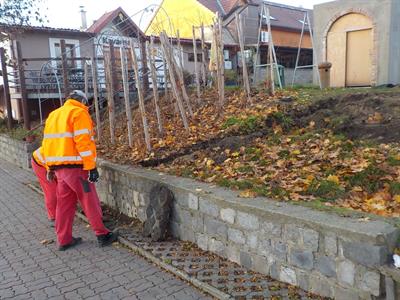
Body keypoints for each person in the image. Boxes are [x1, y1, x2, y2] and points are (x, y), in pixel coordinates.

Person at [42, 90, 118, 251]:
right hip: (76, 169)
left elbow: (47, 144)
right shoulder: (79, 113)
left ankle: (63, 240)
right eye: (87, 104)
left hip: (59, 170)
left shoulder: (54, 115)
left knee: (63, 206)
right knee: (89, 200)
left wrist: (49, 167)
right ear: (82, 101)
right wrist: (91, 167)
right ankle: (102, 234)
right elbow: (83, 143)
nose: (87, 107)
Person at [31, 146, 57, 227]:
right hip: (39, 163)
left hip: (50, 162)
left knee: (61, 188)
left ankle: (61, 214)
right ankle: (53, 217)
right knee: (52, 191)